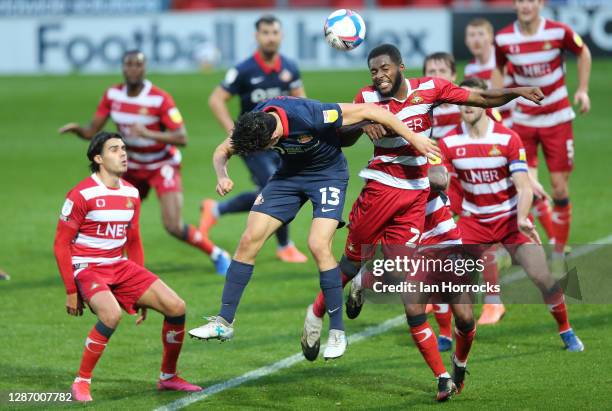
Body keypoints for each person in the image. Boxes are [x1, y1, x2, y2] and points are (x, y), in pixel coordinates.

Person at [301, 44, 544, 361]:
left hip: (424, 197)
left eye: (385, 68)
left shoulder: (434, 92)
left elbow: (482, 99)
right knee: (355, 261)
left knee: (399, 274)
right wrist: (362, 125)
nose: (379, 75)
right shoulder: (368, 99)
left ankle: (373, 286)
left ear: (401, 66)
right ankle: (316, 313)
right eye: (374, 71)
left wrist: (519, 91)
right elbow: (341, 133)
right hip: (384, 192)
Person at [189, 95, 441, 361]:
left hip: (327, 175)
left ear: (273, 138)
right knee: (249, 239)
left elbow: (371, 110)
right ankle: (224, 322)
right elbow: (221, 151)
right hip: (288, 177)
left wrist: (415, 139)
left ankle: (337, 332)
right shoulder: (255, 121)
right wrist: (222, 175)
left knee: (318, 244)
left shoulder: (310, 114)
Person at [53, 132, 202, 402]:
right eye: (114, 149)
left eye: (123, 148)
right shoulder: (81, 194)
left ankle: (168, 377)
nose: (123, 153)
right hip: (88, 267)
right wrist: (70, 290)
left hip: (119, 266)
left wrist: (140, 290)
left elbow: (133, 241)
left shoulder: (131, 193)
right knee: (111, 316)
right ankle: (82, 381)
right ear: (98, 158)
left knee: (176, 307)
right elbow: (61, 244)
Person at [439, 78, 584, 353]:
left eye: (473, 100)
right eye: (463, 101)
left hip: (509, 220)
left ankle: (566, 330)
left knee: (542, 277)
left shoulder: (507, 138)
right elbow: (446, 185)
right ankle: (450, 338)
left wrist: (520, 219)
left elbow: (523, 186)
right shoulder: (448, 143)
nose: (467, 106)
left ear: (483, 103)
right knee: (453, 282)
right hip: (473, 222)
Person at [59, 50, 230, 275]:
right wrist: (78, 130)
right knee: (120, 220)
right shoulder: (113, 95)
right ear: (122, 68)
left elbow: (181, 137)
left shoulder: (159, 98)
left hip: (161, 165)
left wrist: (149, 134)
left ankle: (218, 254)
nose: (133, 69)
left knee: (173, 225)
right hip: (129, 167)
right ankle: (112, 267)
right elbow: (93, 129)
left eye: (137, 65)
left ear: (145, 68)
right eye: (128, 64)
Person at [492, 0, 592, 268]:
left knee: (559, 188)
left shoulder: (559, 32)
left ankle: (559, 252)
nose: (526, 6)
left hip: (557, 119)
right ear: (514, 5)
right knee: (528, 188)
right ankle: (531, 249)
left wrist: (582, 89)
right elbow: (499, 71)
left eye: (531, 1)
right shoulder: (503, 38)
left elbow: (583, 53)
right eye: (521, 1)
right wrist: (496, 105)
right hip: (524, 121)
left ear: (541, 4)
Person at [204, 14, 308, 263]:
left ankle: (217, 209)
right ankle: (285, 246)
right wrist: (233, 131)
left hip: (282, 142)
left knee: (271, 189)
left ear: (281, 36)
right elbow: (216, 99)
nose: (270, 38)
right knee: (276, 186)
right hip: (253, 145)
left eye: (274, 33)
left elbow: (302, 102)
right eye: (265, 33)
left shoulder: (289, 68)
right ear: (256, 36)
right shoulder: (244, 70)